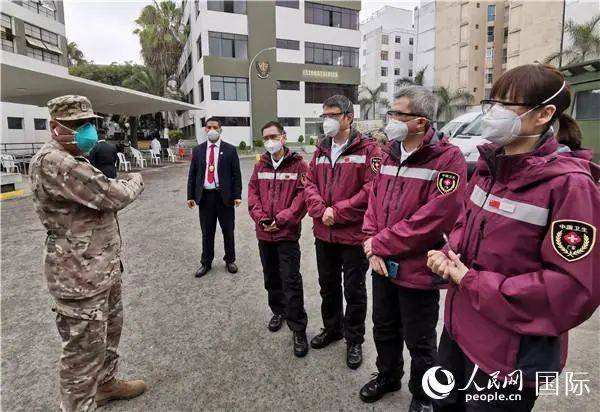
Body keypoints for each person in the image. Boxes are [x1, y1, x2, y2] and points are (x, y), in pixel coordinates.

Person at [427, 64, 600, 411]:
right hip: (458, 333)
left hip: (508, 359)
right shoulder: (490, 167)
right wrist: (448, 253)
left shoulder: (570, 186)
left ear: (544, 114)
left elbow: (571, 289)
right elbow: (465, 225)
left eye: (508, 105)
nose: (494, 114)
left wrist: (472, 281)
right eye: (493, 102)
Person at [28, 95, 146, 411]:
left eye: (89, 124)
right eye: (77, 125)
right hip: (78, 277)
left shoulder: (74, 157)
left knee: (108, 334)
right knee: (82, 352)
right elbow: (113, 194)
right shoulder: (55, 162)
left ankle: (106, 384)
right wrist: (135, 181)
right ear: (54, 127)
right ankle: (80, 405)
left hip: (100, 268)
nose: (87, 131)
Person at [359, 86, 467, 410]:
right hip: (382, 266)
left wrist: (380, 243)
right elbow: (373, 202)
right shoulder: (389, 152)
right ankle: (388, 375)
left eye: (396, 114)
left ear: (420, 122)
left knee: (420, 341)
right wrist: (372, 247)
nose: (389, 119)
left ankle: (422, 397)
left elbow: (431, 221)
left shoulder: (449, 160)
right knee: (384, 328)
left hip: (418, 271)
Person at [304, 95, 382, 369]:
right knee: (327, 285)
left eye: (333, 115)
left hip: (352, 235)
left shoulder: (369, 150)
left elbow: (371, 190)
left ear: (348, 117)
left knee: (355, 290)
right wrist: (321, 209)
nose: (327, 121)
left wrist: (337, 211)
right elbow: (308, 184)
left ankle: (354, 340)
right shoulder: (320, 149)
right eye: (324, 115)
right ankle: (333, 328)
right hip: (323, 234)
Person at [247, 121, 310, 357]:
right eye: (266, 138)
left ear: (283, 137)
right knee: (271, 276)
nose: (270, 141)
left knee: (291, 280)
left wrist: (281, 220)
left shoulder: (299, 165)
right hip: (264, 232)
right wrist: (262, 218)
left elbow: (302, 197)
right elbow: (253, 193)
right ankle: (279, 311)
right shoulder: (260, 164)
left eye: (273, 136)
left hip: (286, 234)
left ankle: (298, 328)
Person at [187, 117, 242, 277]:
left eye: (215, 127)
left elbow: (236, 174)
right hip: (205, 197)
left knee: (228, 230)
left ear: (220, 129)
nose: (212, 130)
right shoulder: (198, 150)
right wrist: (190, 195)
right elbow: (193, 174)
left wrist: (237, 195)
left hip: (224, 197)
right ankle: (206, 262)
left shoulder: (230, 150)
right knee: (207, 231)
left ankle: (230, 259)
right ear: (205, 129)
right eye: (209, 127)